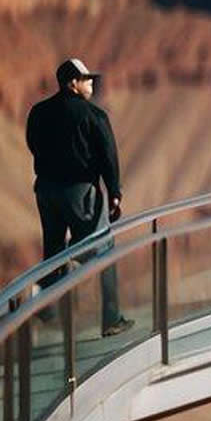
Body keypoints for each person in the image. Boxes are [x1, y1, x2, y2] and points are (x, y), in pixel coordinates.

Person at [26, 57, 131, 336]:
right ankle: (111, 319)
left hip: (46, 190)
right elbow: (108, 157)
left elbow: (32, 145)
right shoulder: (93, 115)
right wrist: (115, 194)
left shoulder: (38, 112)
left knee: (53, 251)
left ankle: (46, 308)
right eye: (86, 79)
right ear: (72, 83)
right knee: (104, 248)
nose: (91, 83)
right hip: (79, 191)